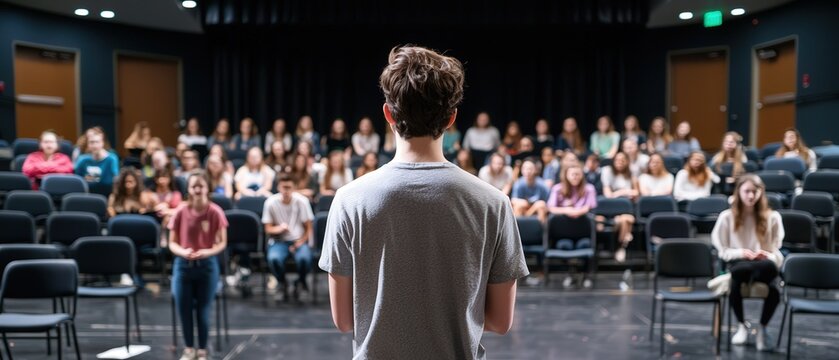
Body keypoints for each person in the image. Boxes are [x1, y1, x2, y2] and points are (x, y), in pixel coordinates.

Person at [319, 46, 527, 358]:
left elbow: (345, 320)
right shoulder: (494, 203)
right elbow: (499, 321)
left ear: (388, 114)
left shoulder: (348, 200)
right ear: (451, 118)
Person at [711, 174, 784, 351]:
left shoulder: (773, 217)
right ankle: (742, 325)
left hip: (763, 265)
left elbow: (776, 250)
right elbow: (723, 250)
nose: (751, 196)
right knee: (737, 278)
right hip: (738, 262)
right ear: (739, 192)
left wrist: (765, 255)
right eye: (747, 191)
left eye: (755, 191)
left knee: (772, 286)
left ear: (761, 193)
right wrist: (741, 252)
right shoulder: (726, 217)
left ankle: (762, 328)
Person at [169, 171, 228, 360]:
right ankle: (188, 349)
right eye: (194, 186)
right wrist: (183, 251)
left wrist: (207, 252)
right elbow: (172, 243)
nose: (197, 189)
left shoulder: (215, 212)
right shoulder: (180, 211)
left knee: (203, 311)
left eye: (201, 186)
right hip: (183, 266)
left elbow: (222, 243)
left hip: (207, 266)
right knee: (184, 309)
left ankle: (202, 350)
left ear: (207, 188)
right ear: (188, 189)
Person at [263, 173, 314, 302]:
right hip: (279, 241)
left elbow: (309, 227)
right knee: (274, 259)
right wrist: (279, 229)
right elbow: (268, 229)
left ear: (294, 187)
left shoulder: (302, 201)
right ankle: (282, 282)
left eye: (289, 187)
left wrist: (301, 242)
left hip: (299, 240)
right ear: (278, 187)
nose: (286, 191)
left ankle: (301, 282)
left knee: (304, 259)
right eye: (283, 187)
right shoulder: (270, 202)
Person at [546, 164, 597, 288]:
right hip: (564, 232)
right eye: (572, 174)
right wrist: (567, 210)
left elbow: (588, 207)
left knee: (584, 245)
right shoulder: (557, 188)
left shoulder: (589, 188)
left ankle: (585, 274)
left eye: (578, 174)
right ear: (566, 175)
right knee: (564, 245)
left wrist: (575, 211)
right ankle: (571, 273)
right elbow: (551, 208)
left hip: (582, 231)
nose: (575, 177)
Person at [600, 152, 638, 262]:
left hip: (628, 210)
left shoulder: (631, 173)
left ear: (627, 162)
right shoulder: (607, 171)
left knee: (625, 219)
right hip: (612, 210)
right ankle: (622, 246)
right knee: (625, 220)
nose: (620, 162)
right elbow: (608, 195)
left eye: (623, 160)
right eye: (617, 160)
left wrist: (617, 193)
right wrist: (624, 192)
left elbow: (636, 192)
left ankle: (620, 246)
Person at [510, 158, 550, 222]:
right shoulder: (518, 183)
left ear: (536, 170)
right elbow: (513, 200)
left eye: (530, 169)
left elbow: (547, 202)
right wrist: (523, 202)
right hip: (524, 208)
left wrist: (537, 205)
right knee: (519, 206)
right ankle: (517, 227)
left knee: (541, 205)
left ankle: (542, 228)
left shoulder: (542, 184)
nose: (527, 171)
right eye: (524, 168)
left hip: (536, 209)